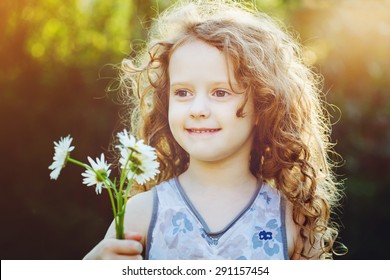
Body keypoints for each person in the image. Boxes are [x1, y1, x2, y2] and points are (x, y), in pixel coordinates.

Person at [84, 0, 345, 260]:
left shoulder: (291, 219)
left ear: (263, 104)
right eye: (183, 92)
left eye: (220, 92)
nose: (198, 109)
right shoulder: (140, 214)